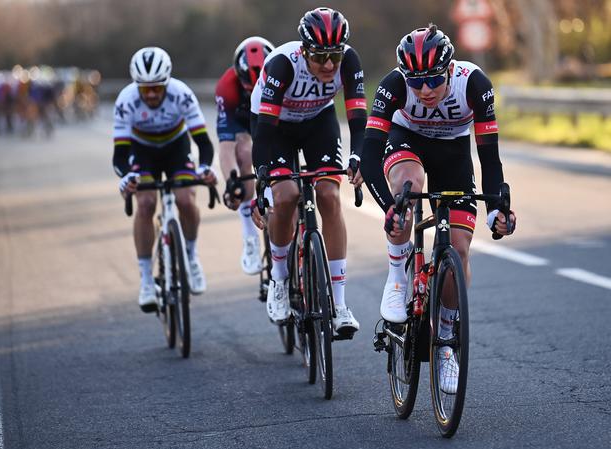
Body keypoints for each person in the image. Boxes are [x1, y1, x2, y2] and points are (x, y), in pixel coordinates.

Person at [359, 25, 517, 392]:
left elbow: (489, 157)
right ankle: (398, 278)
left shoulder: (474, 84)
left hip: (453, 151)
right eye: (416, 82)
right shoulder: (394, 85)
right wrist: (390, 208)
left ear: (449, 70)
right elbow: (369, 157)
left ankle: (446, 342)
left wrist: (497, 210)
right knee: (406, 188)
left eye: (432, 79)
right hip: (406, 140)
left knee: (459, 248)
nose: (425, 90)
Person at [250, 7, 367, 336]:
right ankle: (279, 280)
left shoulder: (349, 61)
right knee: (286, 196)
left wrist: (358, 157)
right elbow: (264, 132)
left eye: (335, 55)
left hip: (318, 122)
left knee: (329, 195)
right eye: (320, 57)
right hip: (275, 127)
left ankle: (340, 305)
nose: (329, 65)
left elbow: (358, 120)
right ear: (304, 51)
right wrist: (262, 182)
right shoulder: (282, 64)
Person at [113, 46, 217, 312]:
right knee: (146, 203)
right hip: (142, 151)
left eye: (156, 88)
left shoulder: (181, 94)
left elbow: (204, 143)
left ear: (167, 83)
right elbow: (120, 156)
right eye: (144, 88)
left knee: (186, 199)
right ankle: (147, 279)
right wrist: (127, 178)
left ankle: (191, 258)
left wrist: (204, 167)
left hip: (175, 148)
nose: (150, 94)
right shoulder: (126, 100)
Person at [216, 36, 275, 275]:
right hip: (241, 125)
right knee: (243, 149)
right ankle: (250, 237)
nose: (254, 92)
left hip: (271, 119)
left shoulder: (283, 74)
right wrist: (232, 181)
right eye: (248, 88)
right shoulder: (226, 87)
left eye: (258, 85)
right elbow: (225, 145)